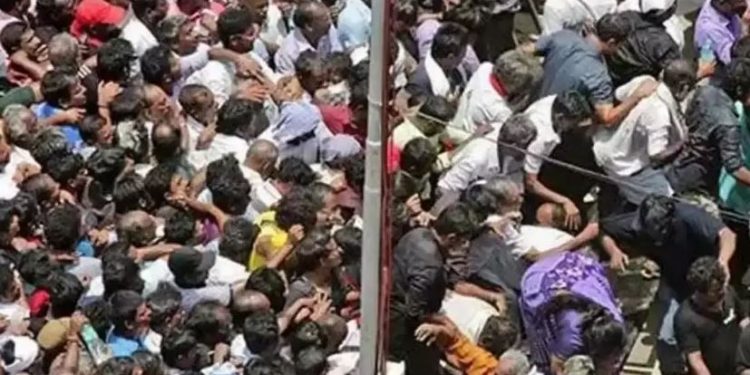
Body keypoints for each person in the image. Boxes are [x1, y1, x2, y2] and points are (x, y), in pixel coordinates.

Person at [388, 202, 479, 374]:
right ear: (451, 238)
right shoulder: (431, 268)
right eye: (464, 240)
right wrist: (436, 323)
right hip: (408, 330)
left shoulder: (417, 234)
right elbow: (414, 310)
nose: (466, 246)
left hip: (394, 312)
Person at [523, 13, 658, 127]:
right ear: (611, 42)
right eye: (620, 45)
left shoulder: (563, 36)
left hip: (527, 109)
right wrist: (637, 95)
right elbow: (608, 118)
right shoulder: (599, 76)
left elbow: (525, 51)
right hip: (551, 127)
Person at [593, 60, 696, 209]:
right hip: (625, 167)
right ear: (683, 88)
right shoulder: (660, 114)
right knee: (667, 204)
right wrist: (682, 144)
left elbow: (617, 95)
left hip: (606, 143)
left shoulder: (644, 81)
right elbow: (656, 157)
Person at [520, 251, 625, 374]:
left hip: (579, 271)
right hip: (537, 282)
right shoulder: (572, 339)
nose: (618, 361)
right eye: (612, 357)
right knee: (545, 361)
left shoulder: (615, 319)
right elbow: (557, 369)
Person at [667, 58, 750, 196]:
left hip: (677, 169)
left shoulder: (705, 92)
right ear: (740, 89)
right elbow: (735, 168)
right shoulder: (728, 123)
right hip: (697, 184)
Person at [449, 49, 543, 144]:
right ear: (517, 85)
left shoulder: (485, 68)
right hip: (462, 142)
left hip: (455, 123)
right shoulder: (500, 112)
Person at [675, 256, 748, 375]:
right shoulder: (685, 318)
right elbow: (696, 361)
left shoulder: (728, 291)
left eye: (722, 288)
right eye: (717, 294)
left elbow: (744, 321)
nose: (722, 295)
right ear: (700, 291)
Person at [438, 113, 537, 195]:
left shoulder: (501, 130)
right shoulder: (477, 158)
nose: (528, 149)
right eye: (526, 145)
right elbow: (444, 188)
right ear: (514, 145)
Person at [274, 0, 343, 74]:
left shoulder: (329, 29)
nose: (330, 22)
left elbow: (338, 57)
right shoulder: (288, 51)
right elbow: (289, 82)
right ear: (309, 26)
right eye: (325, 19)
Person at [407, 22, 470, 101]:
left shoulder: (456, 72)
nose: (463, 58)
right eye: (462, 55)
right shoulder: (420, 82)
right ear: (450, 57)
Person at [694, 0, 747, 65]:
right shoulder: (709, 29)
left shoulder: (725, 8)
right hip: (722, 67)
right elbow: (731, 57)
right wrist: (746, 26)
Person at [106, 290, 152, 357]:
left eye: (147, 308)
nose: (149, 312)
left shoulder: (133, 333)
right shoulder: (124, 355)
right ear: (129, 324)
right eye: (142, 314)